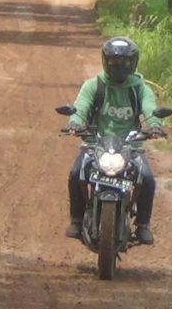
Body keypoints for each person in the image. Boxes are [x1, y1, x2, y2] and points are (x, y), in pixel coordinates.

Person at [63, 36, 166, 245]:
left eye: (124, 62)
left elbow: (149, 107)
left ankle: (143, 224)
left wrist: (155, 125)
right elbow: (81, 107)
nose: (119, 66)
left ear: (133, 63)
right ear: (105, 61)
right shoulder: (94, 85)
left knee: (147, 179)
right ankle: (76, 219)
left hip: (131, 147)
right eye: (113, 61)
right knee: (76, 174)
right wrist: (75, 122)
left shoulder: (139, 88)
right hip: (95, 144)